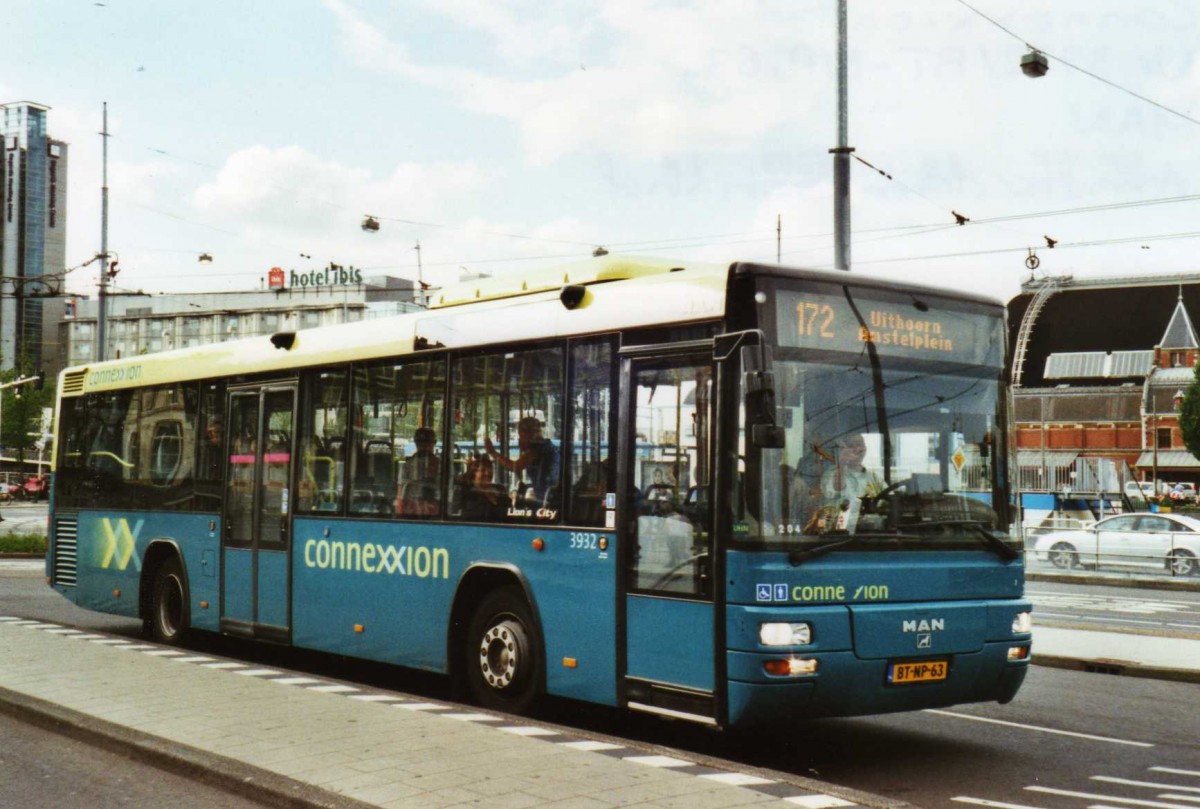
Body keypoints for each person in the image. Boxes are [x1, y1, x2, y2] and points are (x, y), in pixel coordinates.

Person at [484, 416, 560, 504]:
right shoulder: (547, 446)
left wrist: (492, 452)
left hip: (547, 497)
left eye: (521, 436)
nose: (520, 439)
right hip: (549, 494)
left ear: (528, 433)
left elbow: (516, 467)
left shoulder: (537, 448)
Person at [820, 434, 883, 506]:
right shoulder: (831, 475)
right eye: (851, 446)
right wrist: (842, 464)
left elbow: (889, 499)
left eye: (860, 445)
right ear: (842, 450)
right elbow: (837, 488)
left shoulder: (874, 478)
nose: (858, 449)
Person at [458, 455, 508, 521]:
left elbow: (508, 512)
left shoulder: (500, 490)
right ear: (474, 472)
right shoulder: (465, 491)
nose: (487, 473)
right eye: (483, 470)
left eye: (490, 469)